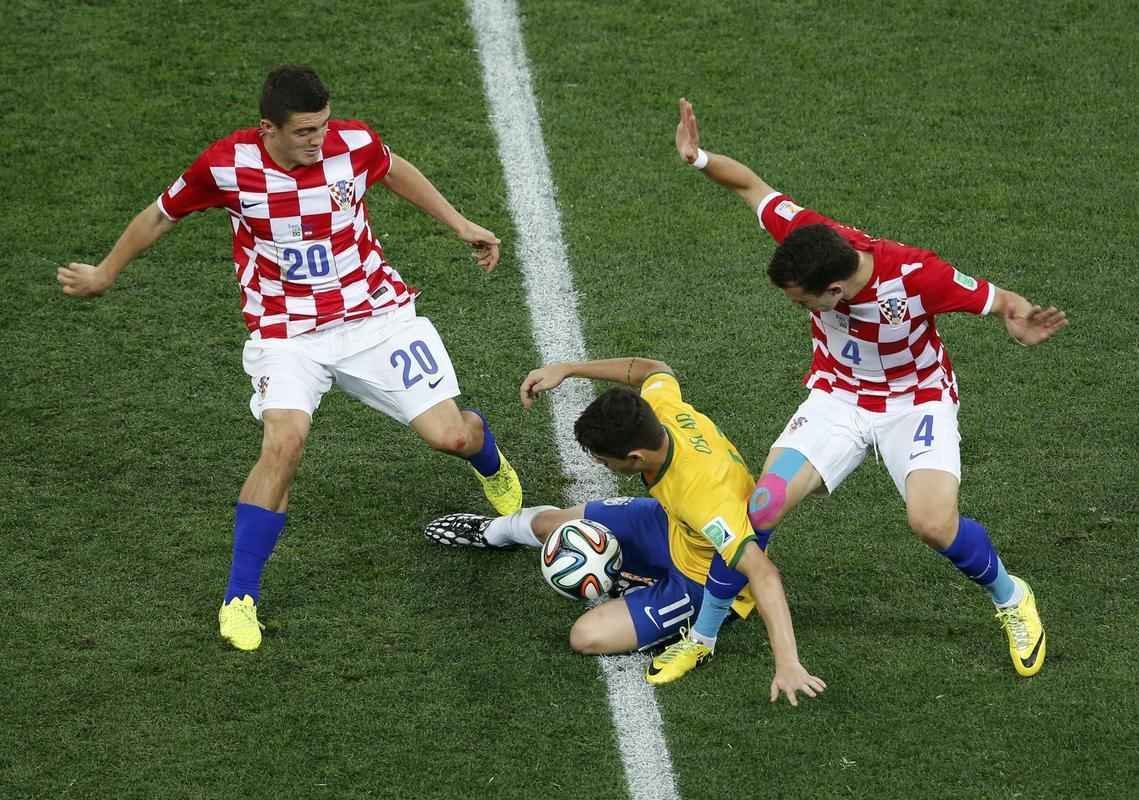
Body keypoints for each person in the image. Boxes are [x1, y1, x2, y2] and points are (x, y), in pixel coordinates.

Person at [57, 65, 523, 652]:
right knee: (283, 443)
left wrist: (459, 224)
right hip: (287, 333)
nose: (318, 141)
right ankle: (239, 596)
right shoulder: (227, 165)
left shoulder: (350, 142)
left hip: (377, 317)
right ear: (267, 129)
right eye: (305, 131)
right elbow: (159, 216)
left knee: (451, 435)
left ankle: (491, 463)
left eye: (323, 127)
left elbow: (391, 166)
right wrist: (105, 272)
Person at [656, 97, 1068, 681]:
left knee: (931, 523)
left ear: (834, 290)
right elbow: (749, 186)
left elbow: (999, 301)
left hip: (915, 400)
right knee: (762, 505)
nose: (795, 307)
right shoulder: (809, 236)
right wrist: (698, 159)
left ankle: (1011, 596)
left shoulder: (916, 276)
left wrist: (1018, 318)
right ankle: (704, 632)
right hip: (839, 396)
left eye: (802, 301)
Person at [425, 356, 826, 705]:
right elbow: (653, 369)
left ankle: (684, 616)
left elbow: (762, 573)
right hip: (673, 524)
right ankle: (492, 532)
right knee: (550, 525)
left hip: (700, 577)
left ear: (635, 456)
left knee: (587, 635)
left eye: (603, 460)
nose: (601, 465)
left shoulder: (705, 498)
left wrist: (788, 663)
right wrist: (569, 369)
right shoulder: (661, 411)